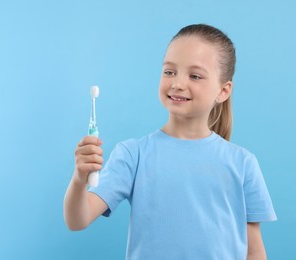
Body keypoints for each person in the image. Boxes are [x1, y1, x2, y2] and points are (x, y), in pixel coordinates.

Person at [64, 24, 277, 260]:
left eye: (194, 76)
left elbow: (254, 251)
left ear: (223, 91)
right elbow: (77, 220)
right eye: (169, 72)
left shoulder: (243, 163)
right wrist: (78, 179)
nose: (177, 83)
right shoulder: (133, 154)